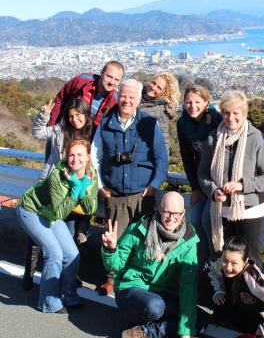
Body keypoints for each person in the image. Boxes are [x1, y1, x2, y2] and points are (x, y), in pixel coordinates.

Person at [91, 79, 168, 294]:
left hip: (143, 193)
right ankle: (111, 279)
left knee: (145, 239)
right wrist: (100, 185)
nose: (126, 101)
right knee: (113, 237)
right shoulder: (106, 123)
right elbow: (94, 156)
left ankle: (141, 279)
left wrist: (154, 185)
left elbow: (161, 157)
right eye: (123, 96)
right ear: (117, 96)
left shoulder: (149, 123)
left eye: (132, 97)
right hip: (114, 192)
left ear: (138, 99)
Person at [101, 191, 202, 338]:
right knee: (155, 306)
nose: (171, 218)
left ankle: (143, 333)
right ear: (158, 209)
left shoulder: (188, 241)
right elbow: (116, 265)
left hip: (163, 293)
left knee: (200, 321)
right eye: (167, 212)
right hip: (132, 288)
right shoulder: (139, 230)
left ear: (183, 213)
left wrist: (185, 331)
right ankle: (133, 317)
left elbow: (188, 286)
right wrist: (110, 249)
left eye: (176, 214)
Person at [17, 140, 98, 313]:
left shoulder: (91, 174)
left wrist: (83, 190)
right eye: (71, 155)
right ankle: (49, 302)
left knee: (72, 253)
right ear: (65, 157)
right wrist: (76, 188)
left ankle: (68, 295)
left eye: (80, 154)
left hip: (50, 214)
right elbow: (61, 212)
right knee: (54, 252)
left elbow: (91, 208)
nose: (75, 159)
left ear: (88, 157)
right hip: (31, 210)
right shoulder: (58, 175)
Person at [22, 98, 95, 290]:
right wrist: (44, 115)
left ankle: (63, 278)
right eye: (71, 116)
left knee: (67, 233)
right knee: (37, 234)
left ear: (86, 115)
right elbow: (37, 132)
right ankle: (28, 275)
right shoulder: (58, 130)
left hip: (74, 188)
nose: (74, 119)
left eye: (78, 115)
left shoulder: (92, 133)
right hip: (51, 187)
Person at [198, 89, 264, 263]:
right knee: (223, 259)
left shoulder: (256, 138)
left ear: (245, 113)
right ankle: (225, 290)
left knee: (250, 259)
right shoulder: (213, 138)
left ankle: (249, 291)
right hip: (220, 210)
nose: (231, 118)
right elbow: (202, 174)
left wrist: (242, 185)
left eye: (236, 113)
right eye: (226, 113)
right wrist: (213, 190)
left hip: (250, 210)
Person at [177, 84, 222, 267]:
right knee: (194, 220)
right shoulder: (183, 123)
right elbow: (187, 158)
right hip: (200, 180)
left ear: (206, 102)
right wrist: (194, 188)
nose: (192, 106)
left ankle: (216, 263)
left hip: (218, 180)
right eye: (188, 102)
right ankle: (202, 264)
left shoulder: (218, 120)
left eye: (197, 102)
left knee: (206, 220)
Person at [48, 60, 125, 127]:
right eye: (109, 76)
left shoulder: (116, 101)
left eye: (116, 80)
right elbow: (60, 98)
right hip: (65, 131)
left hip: (89, 141)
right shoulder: (82, 81)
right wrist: (52, 126)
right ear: (102, 72)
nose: (112, 82)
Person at [140, 72, 180, 151]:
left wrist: (162, 161)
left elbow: (163, 140)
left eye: (159, 88)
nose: (154, 88)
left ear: (163, 93)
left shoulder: (161, 112)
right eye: (153, 83)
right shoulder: (135, 94)